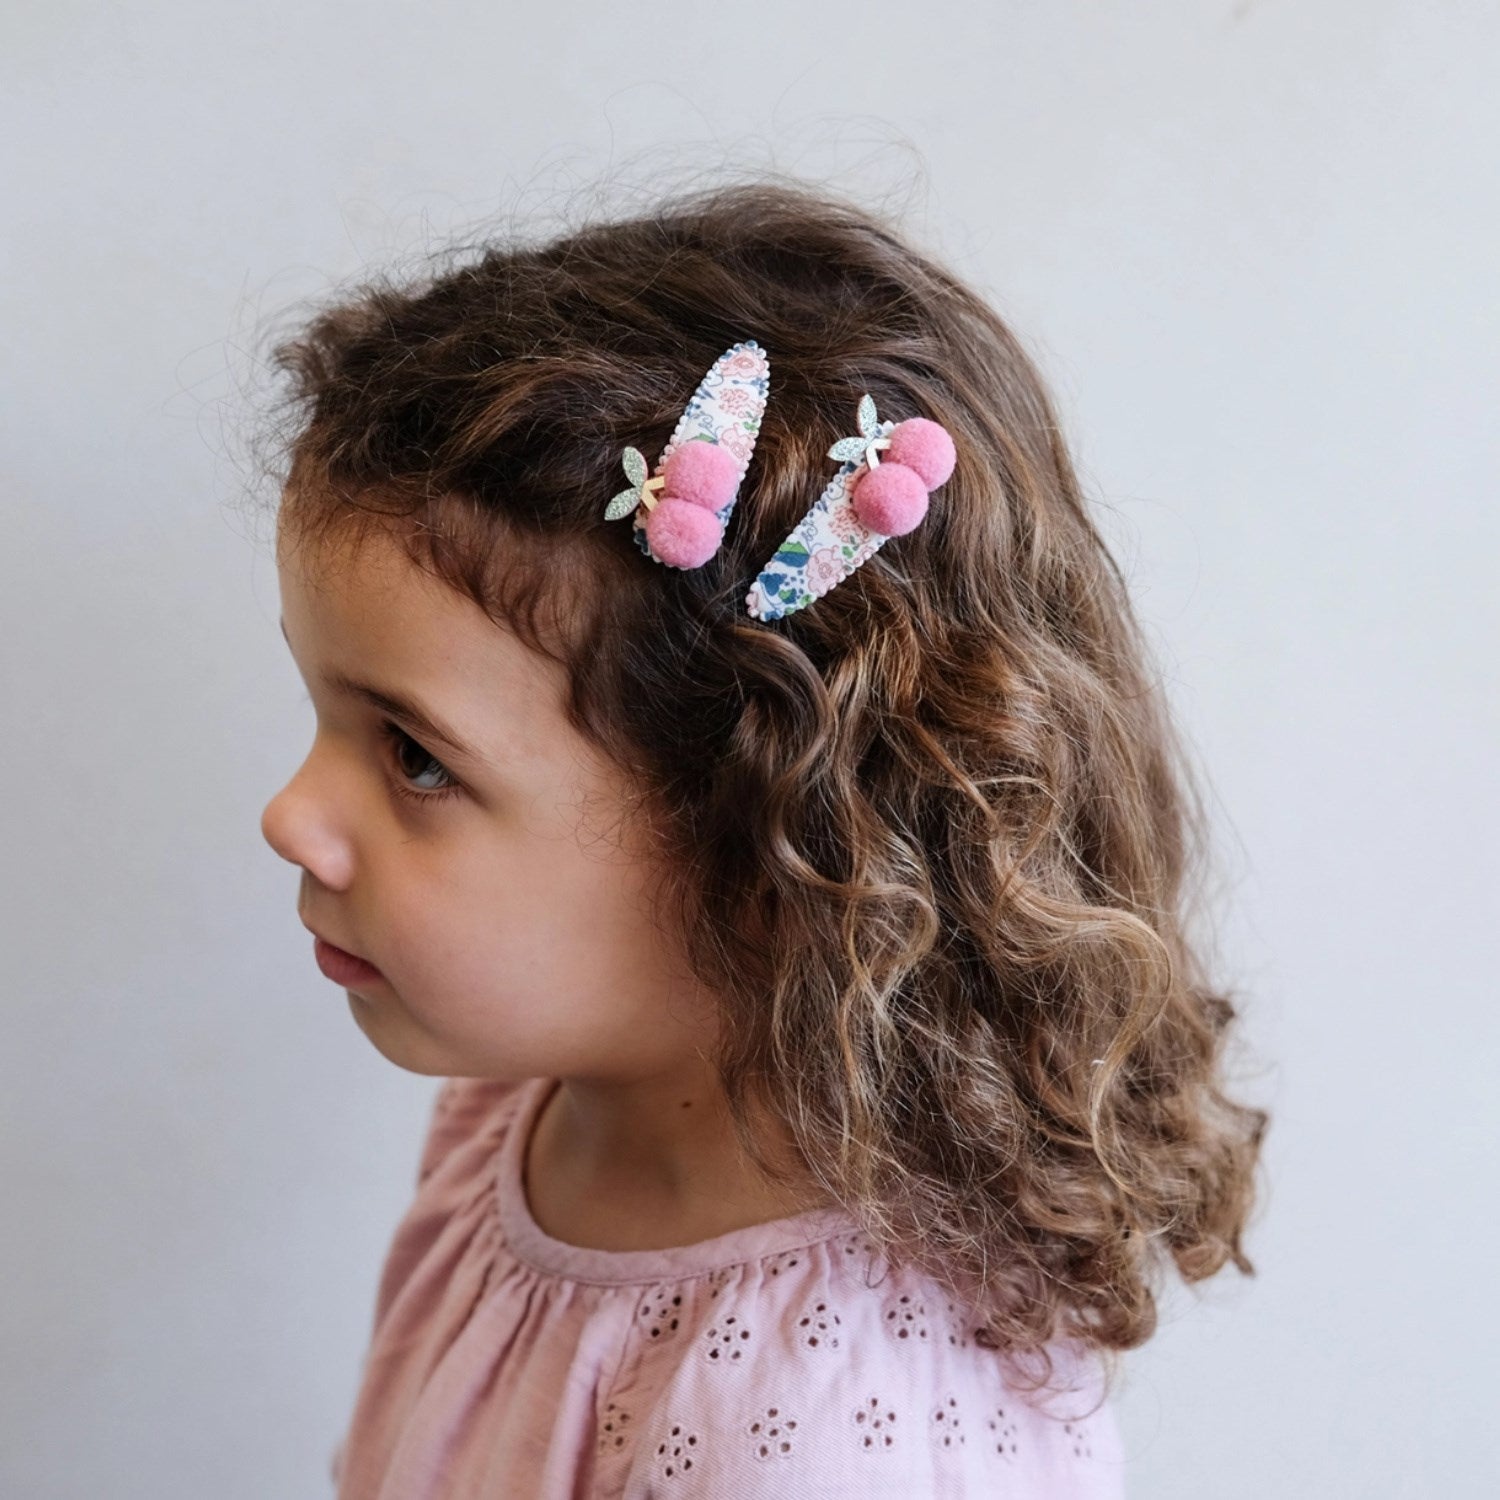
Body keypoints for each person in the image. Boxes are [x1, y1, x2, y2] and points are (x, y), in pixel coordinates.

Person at [257, 177, 1268, 1498]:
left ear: (770, 844)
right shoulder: (519, 1107)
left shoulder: (826, 1435)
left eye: (415, 756)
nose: (290, 815)